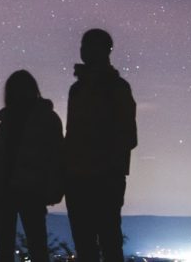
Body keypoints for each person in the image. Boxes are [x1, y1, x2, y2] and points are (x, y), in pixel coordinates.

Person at [64, 28, 137, 262]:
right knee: (94, 242)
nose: (84, 51)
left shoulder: (116, 89)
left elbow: (128, 136)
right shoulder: (78, 90)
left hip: (102, 178)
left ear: (106, 50)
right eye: (83, 46)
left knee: (105, 241)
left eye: (89, 46)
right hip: (85, 178)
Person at [0, 70, 64, 262]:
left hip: (30, 191)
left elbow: (57, 157)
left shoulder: (45, 119)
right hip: (8, 191)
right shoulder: (10, 121)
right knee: (14, 249)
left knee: (34, 247)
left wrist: (54, 189)